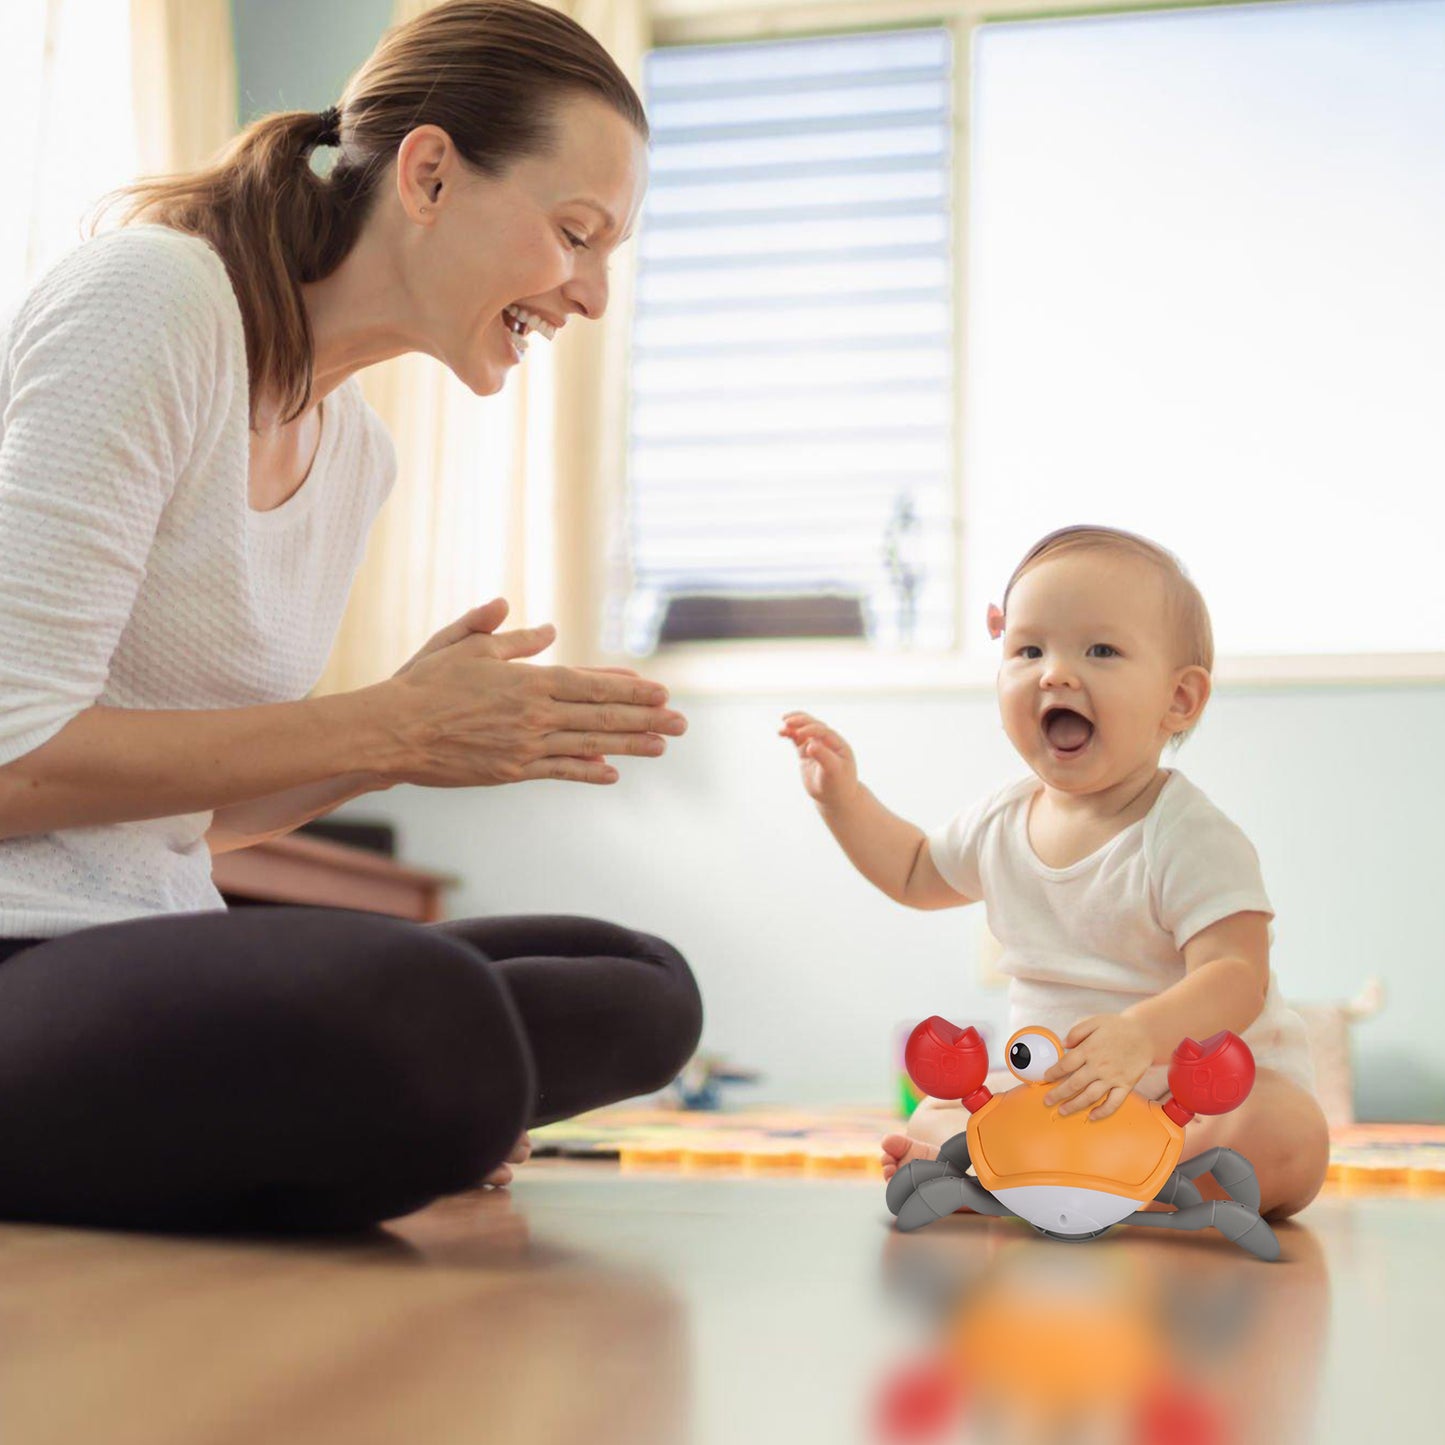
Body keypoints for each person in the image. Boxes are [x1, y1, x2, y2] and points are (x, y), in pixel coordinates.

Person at [0, 0, 701, 1233]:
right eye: (573, 233)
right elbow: (13, 761)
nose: (590, 292)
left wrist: (405, 736)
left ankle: (349, 1112)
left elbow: (191, 820)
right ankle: (370, 1108)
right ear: (428, 172)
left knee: (639, 988)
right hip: (20, 955)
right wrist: (380, 726)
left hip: (147, 949)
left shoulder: (355, 455)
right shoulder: (156, 302)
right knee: (419, 1012)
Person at [781, 525, 1329, 1220]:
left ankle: (1068, 1187)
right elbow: (916, 870)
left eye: (1099, 650)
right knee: (934, 1114)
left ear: (1179, 700)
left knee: (1289, 1138)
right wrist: (843, 799)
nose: (1055, 672)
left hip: (1186, 1103)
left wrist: (1140, 1035)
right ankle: (1045, 1180)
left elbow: (1235, 976)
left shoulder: (1188, 834)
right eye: (1029, 649)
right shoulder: (1001, 820)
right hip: (1050, 1103)